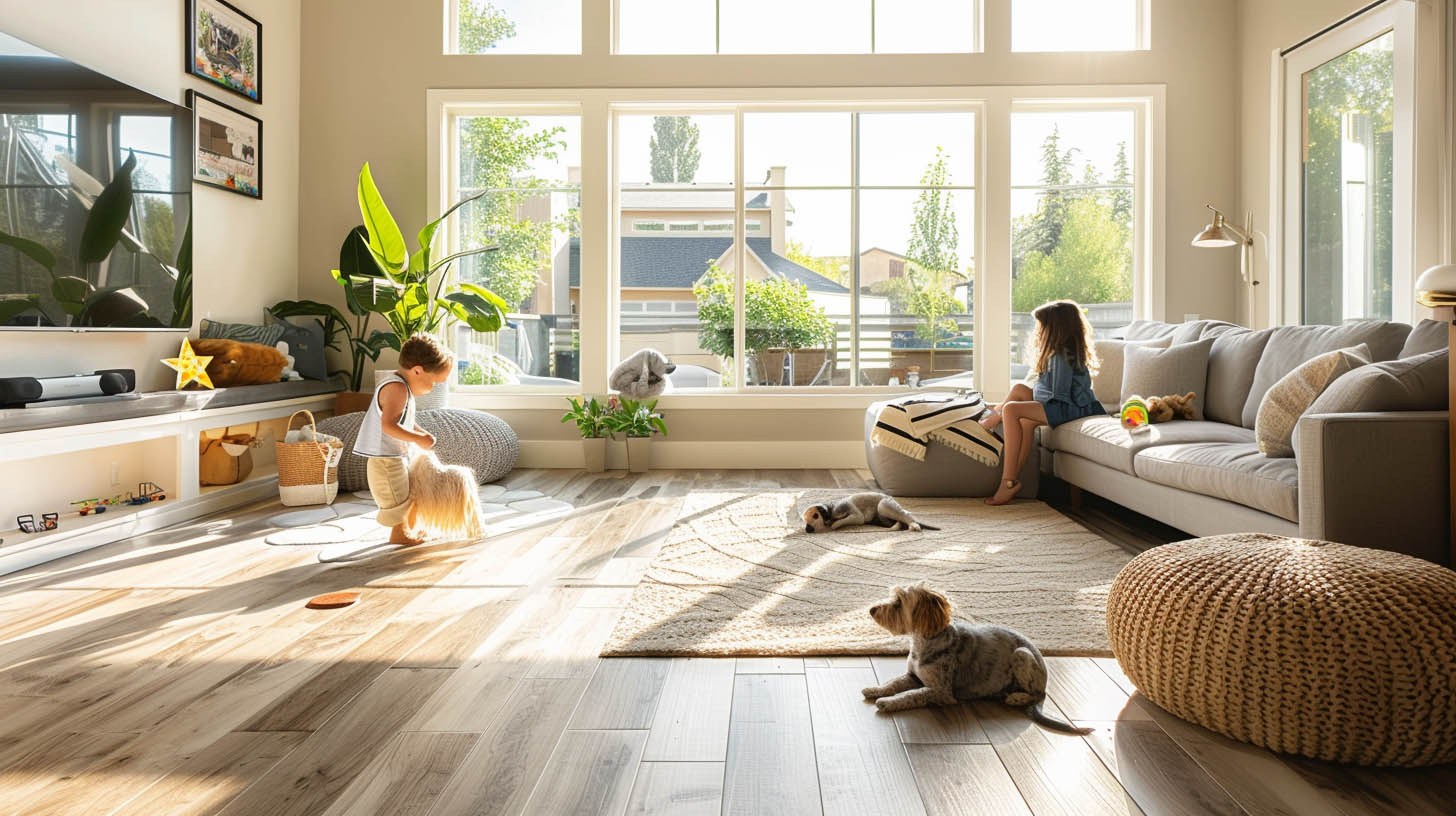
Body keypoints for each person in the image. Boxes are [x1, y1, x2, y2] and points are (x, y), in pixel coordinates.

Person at [979, 300, 1105, 506]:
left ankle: (1007, 480)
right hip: (1062, 404)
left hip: (1070, 408)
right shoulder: (1058, 353)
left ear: (1055, 329)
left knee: (1012, 410)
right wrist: (1028, 399)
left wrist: (1024, 404)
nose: (1038, 332)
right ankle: (1012, 480)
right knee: (1020, 392)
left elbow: (1057, 395)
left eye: (1042, 327)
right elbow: (1043, 392)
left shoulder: (1062, 356)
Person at [353, 334, 453, 544]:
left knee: (406, 495)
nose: (434, 387)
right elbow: (388, 425)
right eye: (434, 381)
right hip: (385, 461)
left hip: (392, 457)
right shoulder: (396, 388)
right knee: (399, 500)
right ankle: (401, 535)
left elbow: (402, 420)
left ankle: (408, 530)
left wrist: (420, 432)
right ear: (417, 370)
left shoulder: (402, 388)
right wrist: (417, 439)